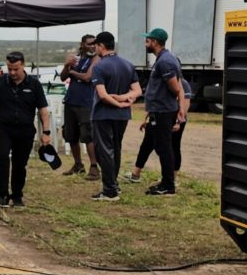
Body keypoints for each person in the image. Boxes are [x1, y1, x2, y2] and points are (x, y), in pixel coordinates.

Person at [0, 51, 51, 208]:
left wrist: (46, 132)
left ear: (23, 65)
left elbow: (43, 110)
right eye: (9, 68)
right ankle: (1, 196)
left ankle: (17, 195)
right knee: (1, 159)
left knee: (20, 164)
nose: (12, 72)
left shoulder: (34, 84)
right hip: (3, 129)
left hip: (25, 130)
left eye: (16, 69)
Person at [127, 28, 184, 196]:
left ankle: (168, 185)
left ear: (155, 42)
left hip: (163, 111)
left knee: (164, 148)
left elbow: (175, 87)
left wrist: (178, 108)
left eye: (148, 40)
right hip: (157, 110)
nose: (146, 43)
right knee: (151, 143)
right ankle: (149, 177)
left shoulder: (165, 61)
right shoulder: (163, 59)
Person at [88, 31, 141, 202]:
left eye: (96, 45)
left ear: (101, 46)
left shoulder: (99, 67)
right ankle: (114, 184)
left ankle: (110, 190)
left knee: (104, 151)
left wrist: (117, 101)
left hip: (103, 114)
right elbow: (137, 91)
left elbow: (102, 95)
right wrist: (124, 99)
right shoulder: (127, 64)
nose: (95, 48)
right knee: (115, 149)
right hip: (122, 115)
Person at [59, 34, 100, 178]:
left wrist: (72, 72)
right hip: (71, 101)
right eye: (89, 43)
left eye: (95, 43)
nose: (92, 46)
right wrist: (66, 66)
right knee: (70, 135)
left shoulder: (96, 59)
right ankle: (78, 164)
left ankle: (94, 167)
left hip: (86, 102)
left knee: (88, 135)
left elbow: (88, 78)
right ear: (82, 44)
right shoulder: (76, 59)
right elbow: (63, 77)